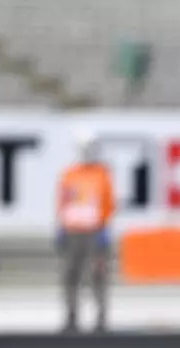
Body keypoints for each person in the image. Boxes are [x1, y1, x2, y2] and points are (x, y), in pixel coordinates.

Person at [56, 131, 114, 333]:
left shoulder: (101, 174)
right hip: (73, 231)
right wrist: (61, 226)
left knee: (98, 274)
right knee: (70, 274)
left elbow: (108, 202)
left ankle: (101, 317)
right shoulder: (69, 174)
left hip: (93, 231)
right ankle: (71, 316)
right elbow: (63, 202)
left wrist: (103, 227)